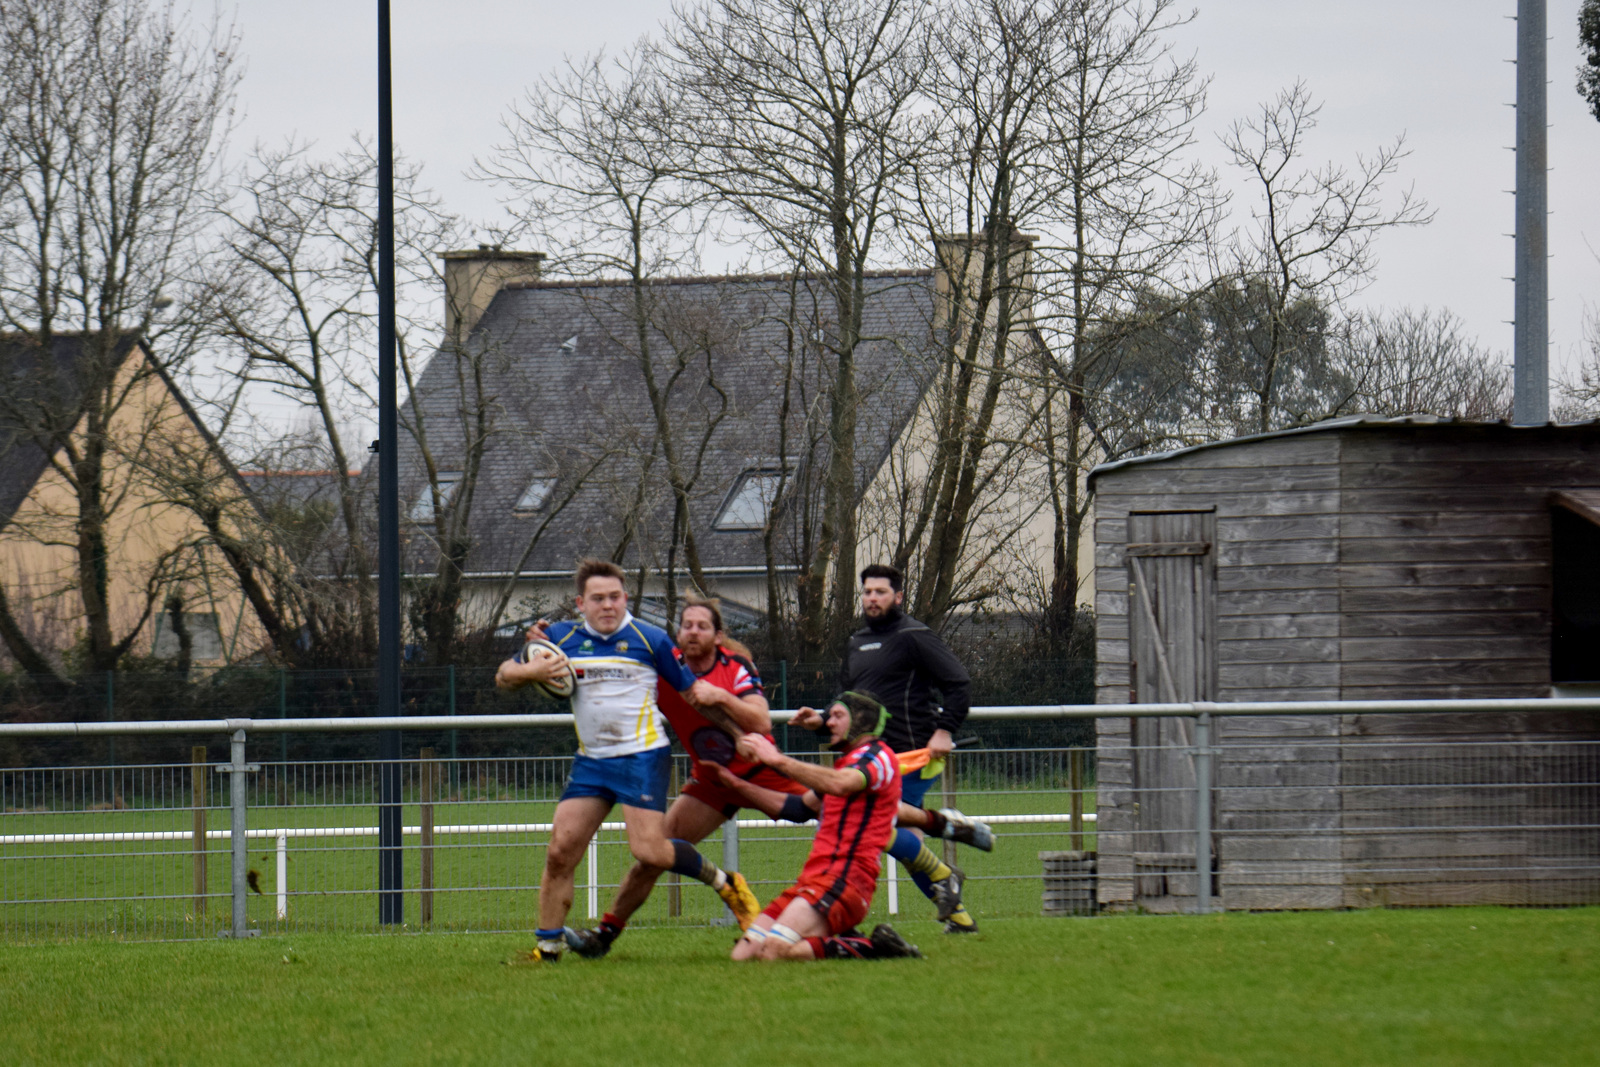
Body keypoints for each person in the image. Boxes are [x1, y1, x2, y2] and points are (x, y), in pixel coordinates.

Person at [495, 559, 761, 961]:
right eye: (598, 599)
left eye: (615, 597)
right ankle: (547, 950)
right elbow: (503, 676)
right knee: (560, 852)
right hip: (592, 762)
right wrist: (530, 670)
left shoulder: (650, 639)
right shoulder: (560, 638)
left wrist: (739, 735)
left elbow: (694, 696)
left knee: (649, 851)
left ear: (626, 598)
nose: (608, 605)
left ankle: (725, 882)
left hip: (642, 756)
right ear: (580, 603)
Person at [563, 593, 798, 958]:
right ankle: (603, 937)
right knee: (653, 854)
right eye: (686, 625)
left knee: (838, 811)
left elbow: (761, 721)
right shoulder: (665, 671)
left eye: (702, 626)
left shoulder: (735, 666)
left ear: (718, 636)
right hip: (711, 782)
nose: (692, 632)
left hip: (761, 773)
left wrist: (721, 696)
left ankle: (834, 919)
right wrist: (548, 651)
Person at [808, 562, 984, 933]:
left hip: (911, 756)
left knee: (868, 824)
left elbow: (958, 684)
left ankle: (944, 867)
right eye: (867, 592)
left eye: (881, 592)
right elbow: (847, 701)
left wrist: (944, 731)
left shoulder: (914, 636)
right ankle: (958, 916)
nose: (873, 599)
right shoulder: (857, 642)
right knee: (903, 840)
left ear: (898, 596)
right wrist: (821, 720)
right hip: (868, 758)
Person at [719, 691, 923, 961]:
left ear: (861, 720)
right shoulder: (844, 766)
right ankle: (842, 938)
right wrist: (736, 785)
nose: (829, 722)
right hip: (814, 878)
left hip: (847, 880)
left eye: (838, 716)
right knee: (743, 955)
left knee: (773, 952)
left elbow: (842, 784)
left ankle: (873, 948)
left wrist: (777, 759)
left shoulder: (879, 756)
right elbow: (799, 808)